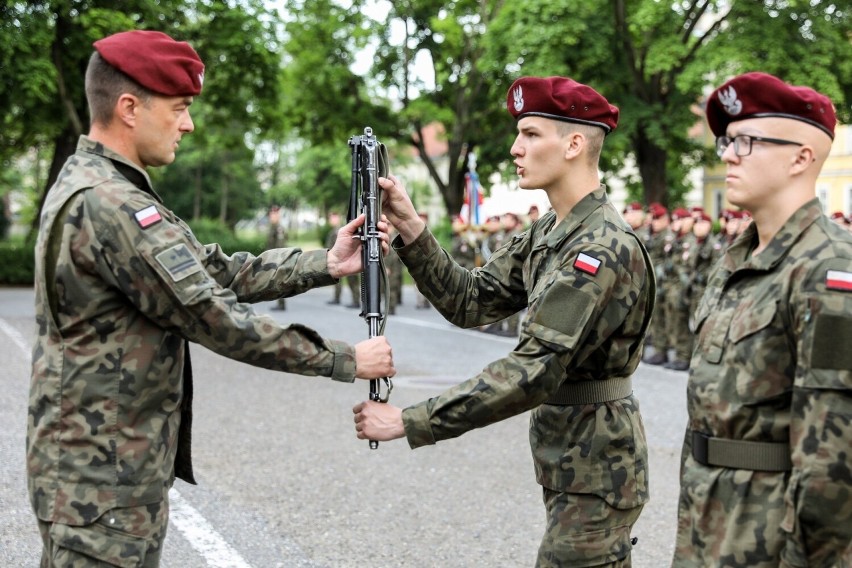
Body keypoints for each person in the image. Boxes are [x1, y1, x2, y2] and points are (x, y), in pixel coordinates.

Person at [27, 30, 396, 567]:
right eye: (179, 108)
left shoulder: (107, 187)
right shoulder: (111, 205)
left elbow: (215, 270)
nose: (188, 123)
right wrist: (345, 359)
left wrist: (326, 262)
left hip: (103, 474)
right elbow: (213, 315)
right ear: (129, 108)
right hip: (100, 484)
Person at [354, 76, 655, 566]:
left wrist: (410, 421)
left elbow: (533, 369)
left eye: (531, 134)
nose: (516, 148)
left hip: (599, 466)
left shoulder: (598, 248)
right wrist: (411, 228)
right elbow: (471, 299)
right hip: (570, 456)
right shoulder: (552, 231)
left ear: (575, 143)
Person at [673, 71, 852, 567]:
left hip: (772, 537)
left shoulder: (827, 268)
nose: (728, 154)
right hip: (709, 520)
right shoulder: (736, 260)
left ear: (801, 157)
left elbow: (833, 460)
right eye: (728, 141)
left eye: (747, 141)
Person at [325, 211, 361, 308]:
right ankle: (338, 298)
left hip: (345, 259)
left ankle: (356, 300)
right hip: (338, 259)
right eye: (331, 218)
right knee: (338, 280)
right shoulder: (333, 231)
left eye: (334, 217)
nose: (332, 220)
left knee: (352, 281)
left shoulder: (340, 230)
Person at [266, 204, 288, 310]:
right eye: (271, 214)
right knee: (277, 282)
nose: (272, 216)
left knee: (279, 282)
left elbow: (280, 245)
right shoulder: (272, 227)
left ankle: (281, 304)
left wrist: (277, 260)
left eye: (275, 214)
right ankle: (280, 303)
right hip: (273, 258)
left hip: (278, 259)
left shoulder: (279, 228)